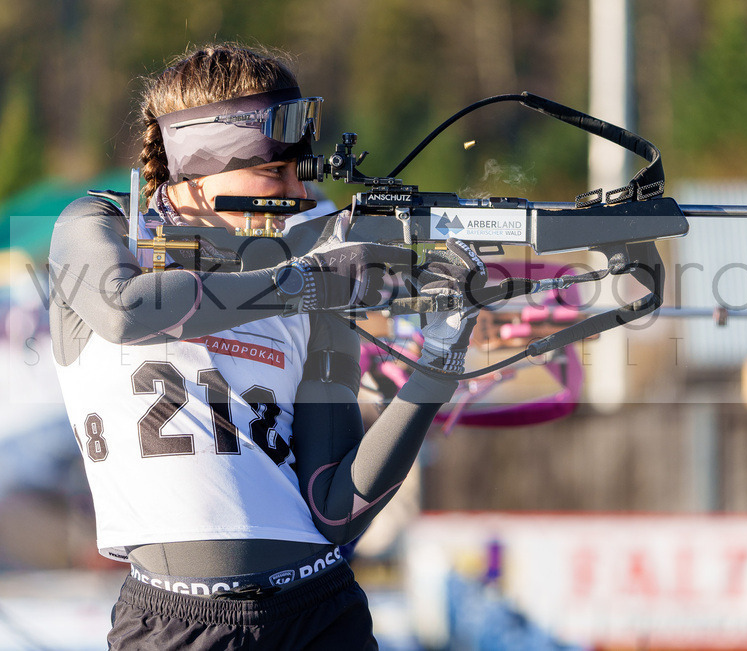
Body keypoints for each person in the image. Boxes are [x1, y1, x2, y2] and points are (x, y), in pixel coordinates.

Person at [48, 43, 485, 649]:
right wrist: (306, 282)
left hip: (322, 610)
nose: (301, 198)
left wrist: (438, 366)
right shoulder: (103, 227)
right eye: (276, 173)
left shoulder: (305, 279)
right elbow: (123, 310)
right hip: (179, 623)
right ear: (203, 165)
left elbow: (336, 509)